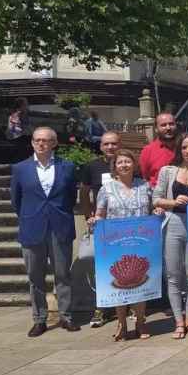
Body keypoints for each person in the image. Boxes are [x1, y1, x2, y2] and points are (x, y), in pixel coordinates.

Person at [11, 127, 80, 337]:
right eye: (37, 140)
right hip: (33, 228)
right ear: (32, 143)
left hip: (59, 227)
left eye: (46, 140)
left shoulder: (67, 167)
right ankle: (39, 319)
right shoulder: (20, 169)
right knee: (35, 277)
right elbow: (16, 200)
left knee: (63, 274)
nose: (41, 144)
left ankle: (66, 316)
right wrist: (30, 216)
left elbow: (70, 196)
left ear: (54, 143)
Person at [88, 149, 154, 341]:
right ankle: (122, 323)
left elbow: (151, 210)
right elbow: (100, 213)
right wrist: (95, 220)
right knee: (119, 284)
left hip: (141, 242)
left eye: (128, 161)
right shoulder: (106, 189)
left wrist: (157, 211)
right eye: (120, 162)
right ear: (114, 166)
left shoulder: (144, 186)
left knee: (141, 282)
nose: (124, 165)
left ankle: (140, 322)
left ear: (134, 164)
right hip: (116, 244)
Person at [153, 133, 188, 339]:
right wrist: (174, 202)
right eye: (184, 147)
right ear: (179, 150)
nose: (187, 151)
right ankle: (178, 321)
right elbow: (156, 199)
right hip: (173, 223)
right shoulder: (167, 171)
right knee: (173, 275)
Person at [79, 130, 123, 328]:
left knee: (123, 263)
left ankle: (127, 304)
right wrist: (88, 216)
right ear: (101, 146)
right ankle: (102, 306)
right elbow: (85, 192)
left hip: (123, 224)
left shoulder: (127, 163)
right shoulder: (92, 167)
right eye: (107, 144)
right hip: (102, 224)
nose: (110, 147)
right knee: (98, 265)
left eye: (114, 144)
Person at [139, 113, 179, 187]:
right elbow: (145, 177)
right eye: (163, 125)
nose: (168, 128)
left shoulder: (184, 148)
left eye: (171, 124)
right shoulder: (148, 151)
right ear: (156, 129)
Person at [6, 97, 32, 162]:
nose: (27, 106)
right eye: (26, 104)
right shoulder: (16, 115)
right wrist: (25, 132)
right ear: (21, 106)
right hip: (15, 138)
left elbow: (27, 128)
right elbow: (13, 129)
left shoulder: (24, 115)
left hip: (21, 137)